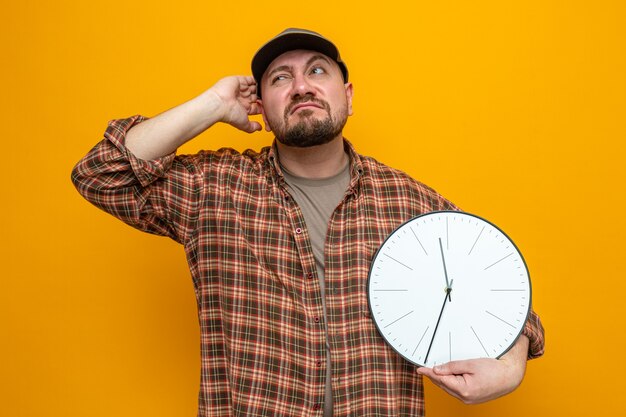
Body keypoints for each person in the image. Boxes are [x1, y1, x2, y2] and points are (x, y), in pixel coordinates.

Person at [72, 28, 544, 417]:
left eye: (317, 71)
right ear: (259, 102)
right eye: (280, 78)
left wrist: (511, 367)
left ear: (348, 95)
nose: (301, 86)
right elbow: (100, 173)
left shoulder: (409, 202)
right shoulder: (212, 188)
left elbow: (501, 293)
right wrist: (212, 104)